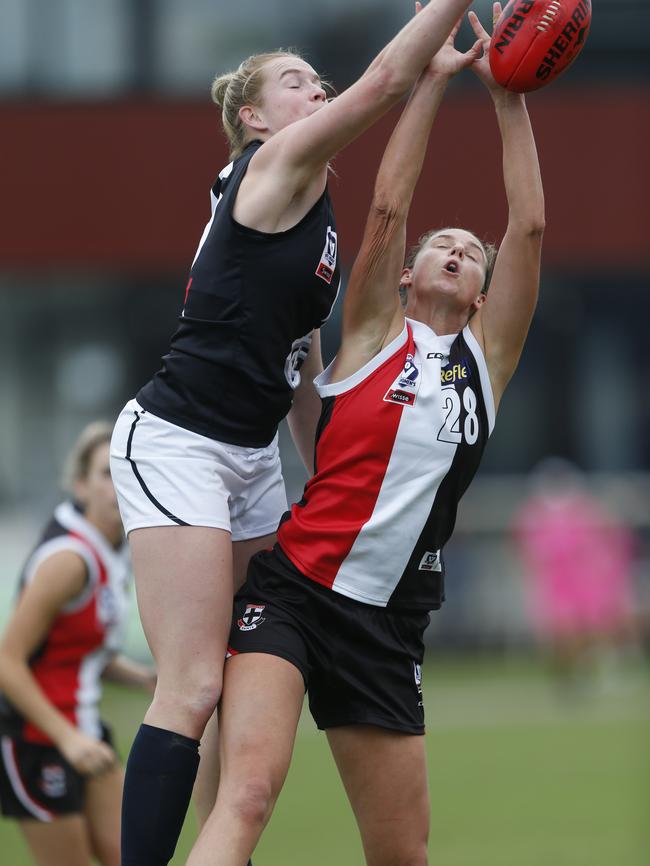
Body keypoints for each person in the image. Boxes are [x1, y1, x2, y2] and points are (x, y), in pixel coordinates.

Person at [108, 3, 475, 864]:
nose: (319, 86)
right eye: (295, 80)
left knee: (236, 695)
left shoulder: (314, 217)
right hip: (179, 442)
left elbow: (304, 372)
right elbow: (385, 80)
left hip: (251, 460)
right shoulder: (271, 168)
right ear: (255, 119)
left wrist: (321, 477)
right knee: (193, 684)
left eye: (320, 79)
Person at [187, 4, 545, 864]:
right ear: (408, 271)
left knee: (400, 854)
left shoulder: (484, 365)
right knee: (248, 796)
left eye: (472, 251)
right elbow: (388, 203)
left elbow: (527, 228)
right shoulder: (374, 335)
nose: (458, 249)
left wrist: (508, 95)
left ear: (485, 293)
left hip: (389, 629)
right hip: (297, 592)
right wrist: (428, 83)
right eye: (442, 244)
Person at [0, 423, 155, 866]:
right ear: (79, 485)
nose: (118, 482)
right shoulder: (70, 559)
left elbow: (79, 651)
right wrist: (66, 739)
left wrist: (143, 677)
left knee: (135, 856)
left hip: (84, 732)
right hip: (37, 739)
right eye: (105, 473)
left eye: (125, 469)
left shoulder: (115, 549)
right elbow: (8, 661)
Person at [513, 457, 638, 692]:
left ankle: (582, 674)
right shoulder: (535, 514)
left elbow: (599, 545)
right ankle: (566, 677)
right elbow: (532, 551)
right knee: (562, 633)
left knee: (587, 629)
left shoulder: (583, 510)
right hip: (555, 583)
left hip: (580, 582)